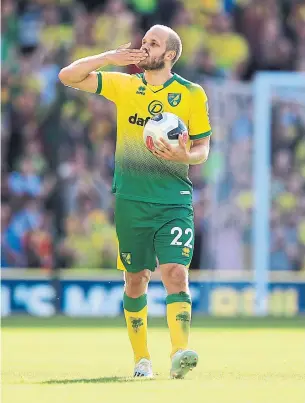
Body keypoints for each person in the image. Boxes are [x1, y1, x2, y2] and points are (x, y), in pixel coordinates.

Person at [59, 24, 211, 379]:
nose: (144, 48)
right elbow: (67, 76)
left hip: (173, 199)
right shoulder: (125, 85)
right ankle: (142, 359)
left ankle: (179, 352)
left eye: (153, 44)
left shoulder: (191, 93)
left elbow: (203, 149)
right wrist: (110, 58)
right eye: (143, 42)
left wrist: (182, 155)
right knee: (136, 279)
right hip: (131, 200)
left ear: (170, 55)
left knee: (175, 273)